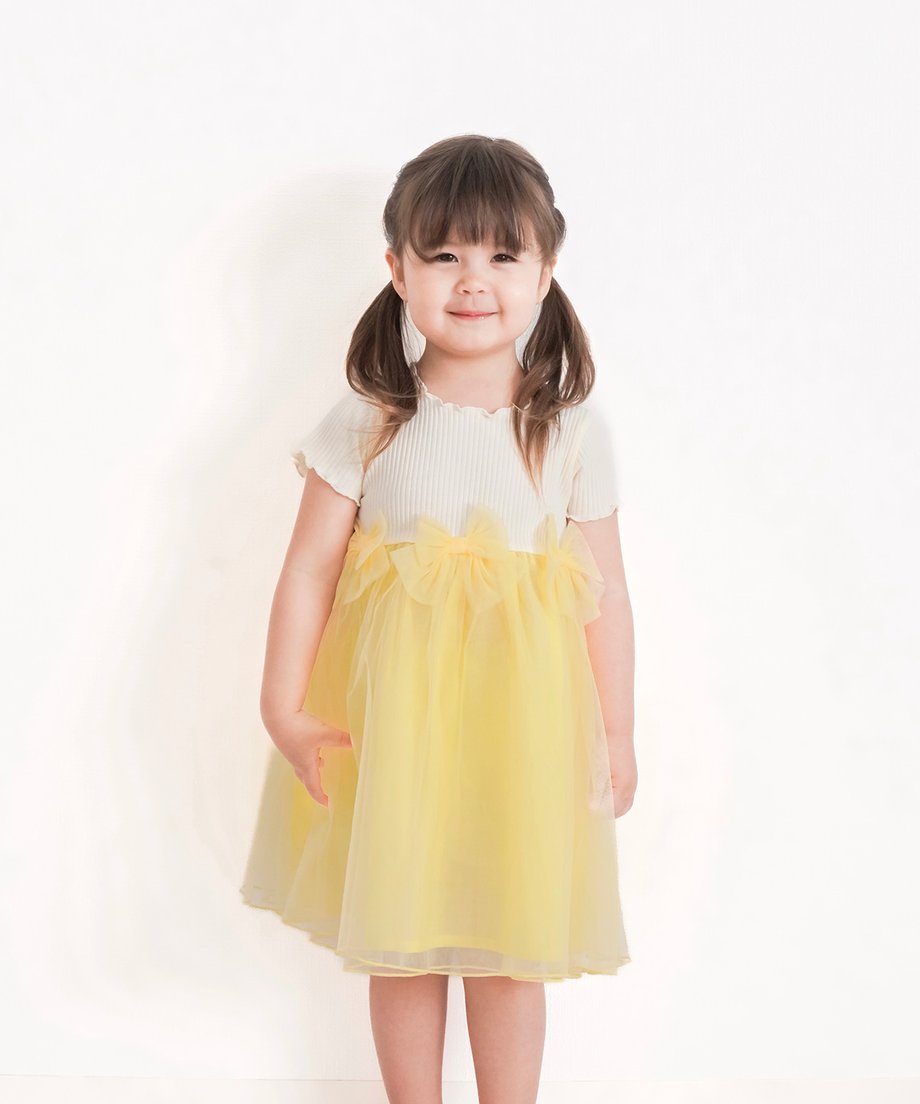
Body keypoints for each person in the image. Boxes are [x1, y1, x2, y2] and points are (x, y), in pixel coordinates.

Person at [240, 133, 637, 1103]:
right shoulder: (370, 418)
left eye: (502, 254)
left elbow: (607, 593)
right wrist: (283, 708)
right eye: (445, 254)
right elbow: (307, 571)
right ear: (398, 271)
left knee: (511, 948)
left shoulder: (568, 431)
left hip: (522, 734)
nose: (473, 279)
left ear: (545, 270)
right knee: (403, 940)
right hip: (397, 731)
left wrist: (617, 731)